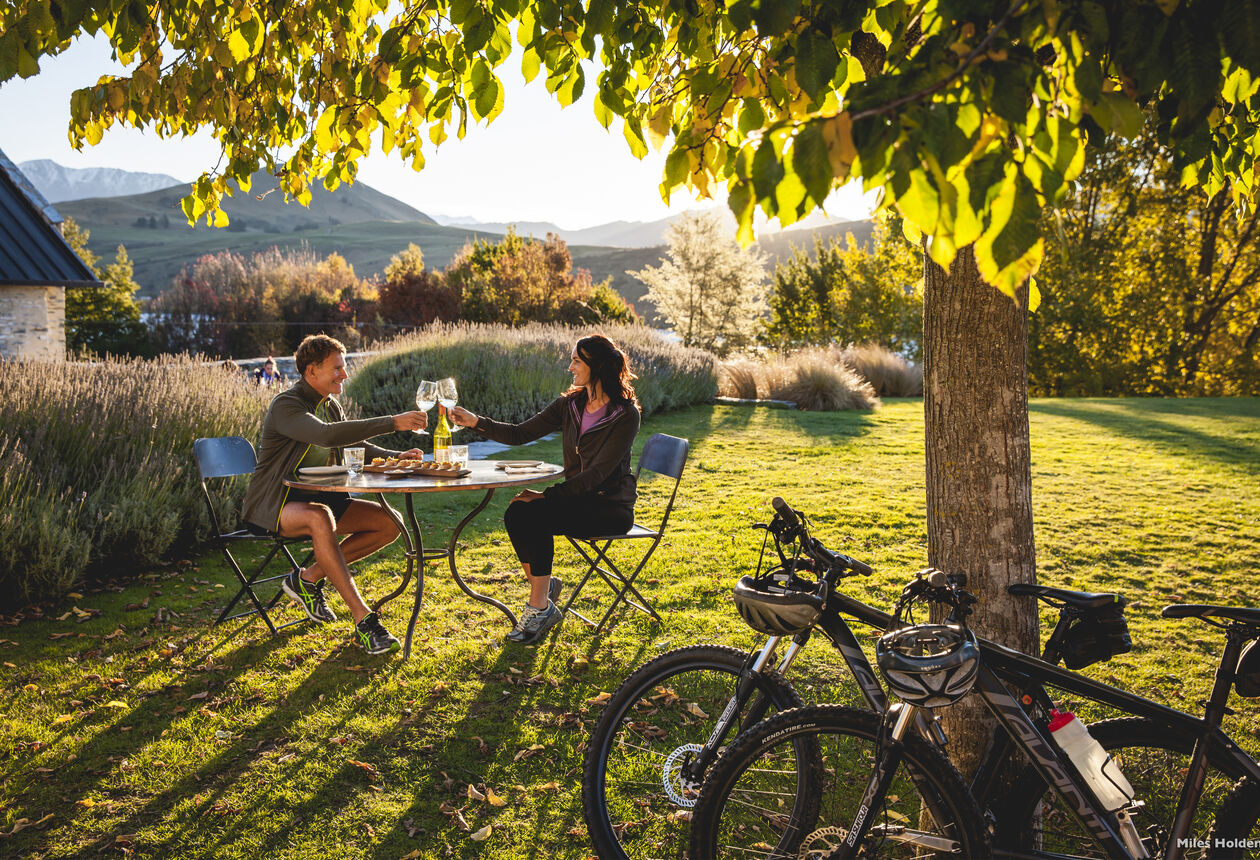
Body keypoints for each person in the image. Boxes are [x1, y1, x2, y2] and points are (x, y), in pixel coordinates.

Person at [241, 334, 427, 654]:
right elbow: (326, 436)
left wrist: (393, 458)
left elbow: (352, 445)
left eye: (344, 367)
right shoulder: (286, 405)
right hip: (275, 504)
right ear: (311, 371)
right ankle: (365, 620)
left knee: (390, 522)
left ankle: (308, 578)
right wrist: (392, 422)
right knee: (319, 517)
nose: (344, 374)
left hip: (322, 498)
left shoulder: (330, 405)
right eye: (337, 368)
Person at [450, 334, 641, 645]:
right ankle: (544, 591)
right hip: (577, 501)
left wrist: (547, 495)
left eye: (577, 361)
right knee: (517, 511)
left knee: (534, 513)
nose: (570, 367)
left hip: (610, 508)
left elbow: (597, 475)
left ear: (597, 366)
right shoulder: (571, 404)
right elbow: (520, 433)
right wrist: (476, 422)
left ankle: (538, 607)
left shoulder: (625, 415)